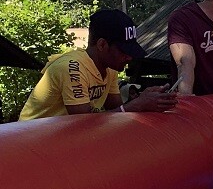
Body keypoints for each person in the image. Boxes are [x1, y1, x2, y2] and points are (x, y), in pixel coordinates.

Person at [19, 9, 177, 119]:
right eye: (123, 51)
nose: (129, 57)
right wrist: (138, 105)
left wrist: (145, 99)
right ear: (102, 45)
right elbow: (84, 122)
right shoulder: (72, 68)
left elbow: (115, 110)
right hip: (30, 140)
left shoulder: (110, 69)